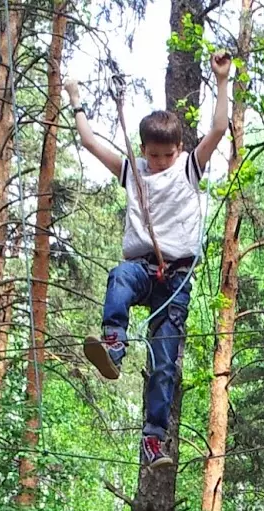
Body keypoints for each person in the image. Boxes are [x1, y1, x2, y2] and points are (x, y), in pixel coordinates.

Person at [64, 54, 231, 468]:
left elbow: (218, 128)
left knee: (164, 363)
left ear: (179, 149)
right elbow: (89, 141)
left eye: (167, 155)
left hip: (175, 278)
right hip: (141, 268)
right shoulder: (132, 172)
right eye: (154, 156)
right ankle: (114, 343)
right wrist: (75, 98)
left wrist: (222, 80)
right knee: (119, 276)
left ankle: (154, 439)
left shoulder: (189, 168)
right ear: (143, 150)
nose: (159, 163)